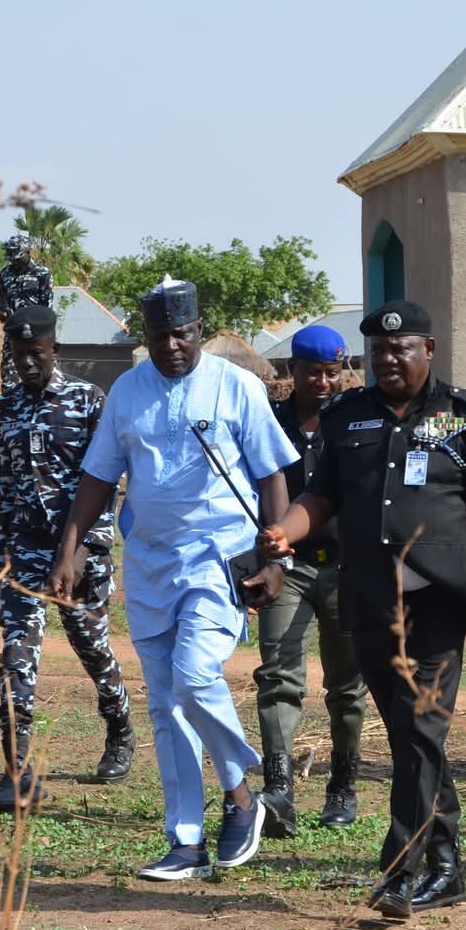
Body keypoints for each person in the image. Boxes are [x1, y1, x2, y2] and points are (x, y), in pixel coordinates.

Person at [259, 300, 466, 918]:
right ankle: (448, 867)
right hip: (369, 598)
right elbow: (320, 497)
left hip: (438, 602)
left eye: (401, 349)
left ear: (428, 350)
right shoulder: (347, 417)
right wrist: (285, 533)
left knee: (421, 729)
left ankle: (401, 872)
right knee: (412, 736)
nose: (388, 359)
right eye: (377, 350)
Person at [47, 279, 295, 881]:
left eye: (182, 334)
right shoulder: (127, 392)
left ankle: (240, 791)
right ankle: (185, 843)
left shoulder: (236, 386)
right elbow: (99, 478)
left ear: (199, 330)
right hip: (151, 565)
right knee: (164, 706)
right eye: (160, 336)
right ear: (146, 335)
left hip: (217, 558)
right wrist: (70, 550)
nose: (172, 346)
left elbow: (271, 474)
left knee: (193, 676)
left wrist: (276, 555)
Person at [0, 304, 133, 814]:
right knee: (16, 655)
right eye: (19, 354)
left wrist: (90, 549)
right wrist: (4, 554)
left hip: (81, 549)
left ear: (55, 351)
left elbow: (108, 480)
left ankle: (119, 722)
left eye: (36, 354)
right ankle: (17, 772)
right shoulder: (5, 408)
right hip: (24, 550)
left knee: (91, 647)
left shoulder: (89, 401)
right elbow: (4, 485)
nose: (27, 363)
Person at [252, 324, 366, 834]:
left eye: (332, 372)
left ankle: (343, 785)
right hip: (288, 568)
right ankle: (279, 788)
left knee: (347, 686)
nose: (324, 382)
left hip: (348, 567)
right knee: (279, 677)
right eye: (314, 372)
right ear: (290, 371)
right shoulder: (268, 422)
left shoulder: (357, 420)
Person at [0, 235, 55, 388]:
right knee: (8, 380)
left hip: (38, 336)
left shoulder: (42, 274)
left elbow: (47, 310)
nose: (14, 260)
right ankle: (12, 410)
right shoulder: (5, 274)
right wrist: (5, 316)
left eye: (18, 256)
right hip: (14, 336)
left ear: (28, 252)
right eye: (12, 257)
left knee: (44, 377)